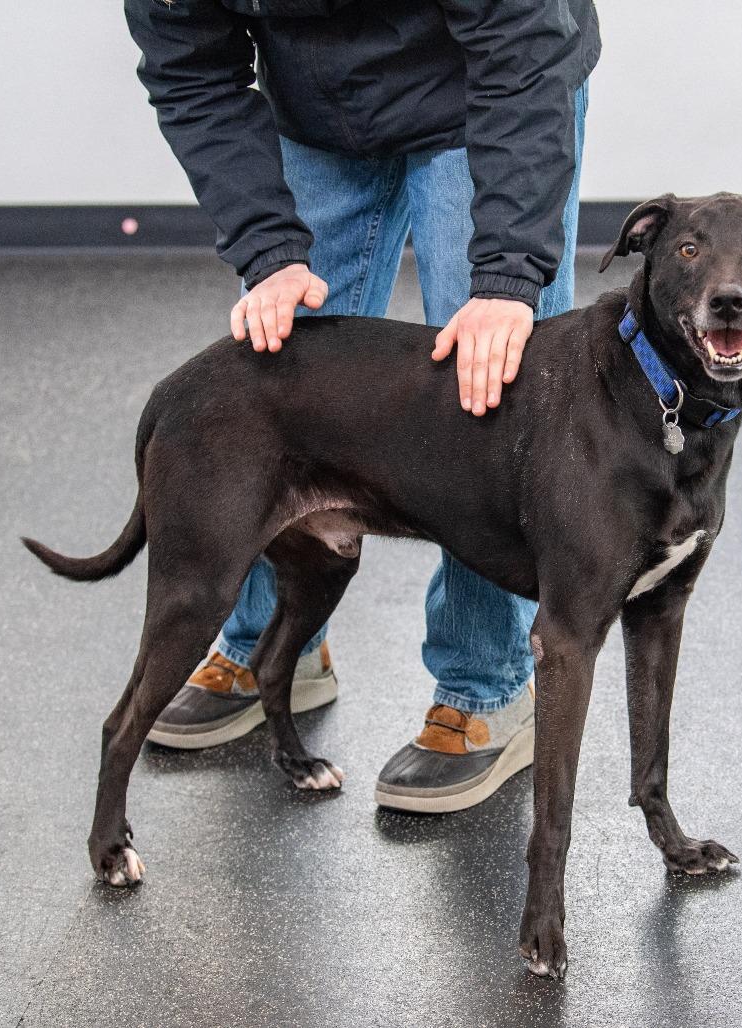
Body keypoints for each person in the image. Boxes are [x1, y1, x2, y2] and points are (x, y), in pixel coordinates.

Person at [124, 0, 600, 813]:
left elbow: (522, 49)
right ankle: (274, 647)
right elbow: (191, 68)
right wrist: (267, 243)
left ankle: (485, 691)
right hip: (318, 107)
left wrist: (509, 276)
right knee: (277, 383)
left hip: (480, 88)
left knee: (490, 395)